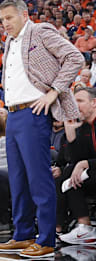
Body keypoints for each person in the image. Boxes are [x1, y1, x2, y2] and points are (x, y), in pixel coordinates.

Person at [0, 0, 83, 258]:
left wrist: (53, 92)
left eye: (9, 18)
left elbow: (74, 57)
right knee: (18, 179)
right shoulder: (9, 42)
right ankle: (22, 235)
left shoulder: (40, 30)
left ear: (24, 14)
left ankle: (45, 240)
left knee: (39, 179)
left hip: (34, 112)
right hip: (13, 115)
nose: (5, 24)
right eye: (1, 20)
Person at [57, 87, 96, 245]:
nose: (75, 105)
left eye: (79, 101)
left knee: (73, 170)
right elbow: (76, 159)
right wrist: (71, 134)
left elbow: (83, 161)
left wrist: (85, 163)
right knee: (69, 172)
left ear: (94, 103)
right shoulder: (85, 127)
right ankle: (84, 227)